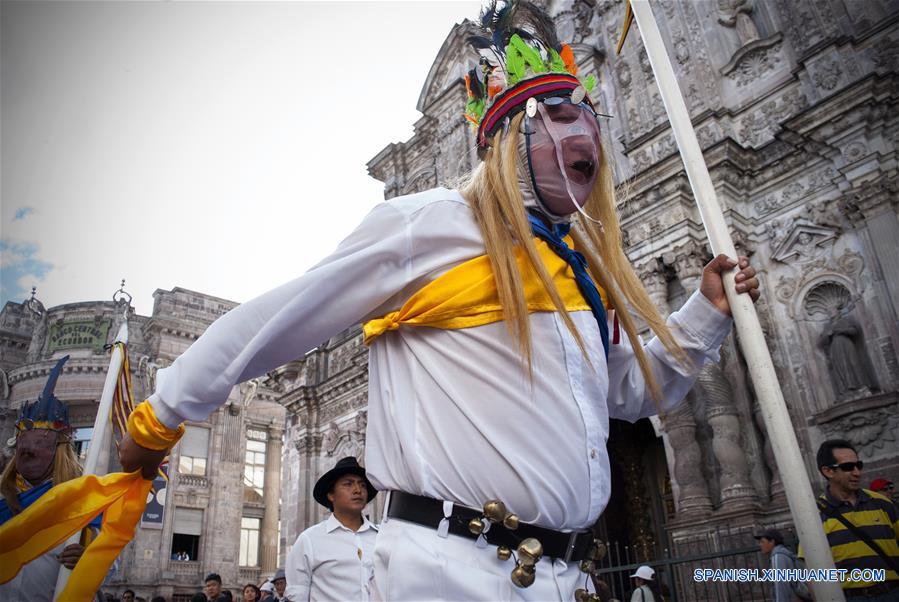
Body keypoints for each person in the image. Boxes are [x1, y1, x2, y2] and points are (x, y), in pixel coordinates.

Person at [117, 2, 760, 599]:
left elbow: (629, 394)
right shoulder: (432, 222)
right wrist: (161, 415)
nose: (584, 129)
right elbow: (277, 319)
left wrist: (705, 311)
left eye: (587, 113)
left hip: (560, 577)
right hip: (452, 573)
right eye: (559, 115)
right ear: (507, 137)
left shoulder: (583, 268)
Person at [0, 355, 101, 602]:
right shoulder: (2, 498)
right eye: (23, 445)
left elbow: (109, 561)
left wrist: (88, 558)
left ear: (59, 451)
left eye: (41, 444)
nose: (28, 451)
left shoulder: (79, 503)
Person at [810, 439, 899, 599]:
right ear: (828, 471)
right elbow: (813, 571)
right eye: (848, 467)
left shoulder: (883, 503)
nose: (857, 472)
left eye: (859, 465)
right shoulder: (814, 516)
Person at [285, 457, 379, 601]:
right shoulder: (310, 540)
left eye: (363, 485)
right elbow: (297, 595)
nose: (357, 490)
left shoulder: (381, 538)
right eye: (348, 484)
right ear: (331, 495)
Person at [755, 528, 810, 601]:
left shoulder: (778, 557)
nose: (760, 545)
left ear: (772, 541)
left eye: (762, 542)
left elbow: (780, 586)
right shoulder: (785, 554)